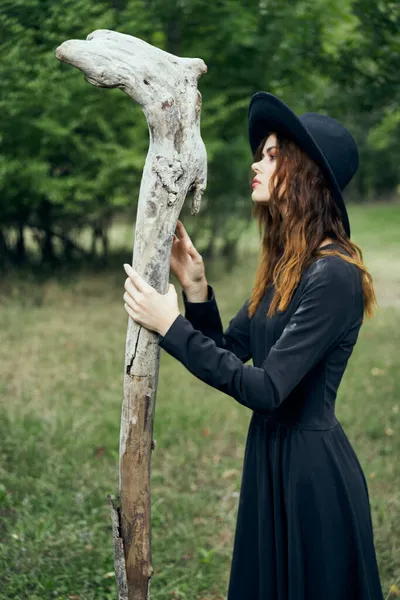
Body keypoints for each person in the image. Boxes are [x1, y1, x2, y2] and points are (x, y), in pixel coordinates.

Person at [122, 92, 384, 599]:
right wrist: (196, 291)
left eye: (271, 155)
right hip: (269, 456)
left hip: (312, 475)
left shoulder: (334, 275)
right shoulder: (290, 262)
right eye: (260, 153)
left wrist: (170, 324)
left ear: (305, 174)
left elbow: (266, 389)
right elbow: (228, 348)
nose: (255, 164)